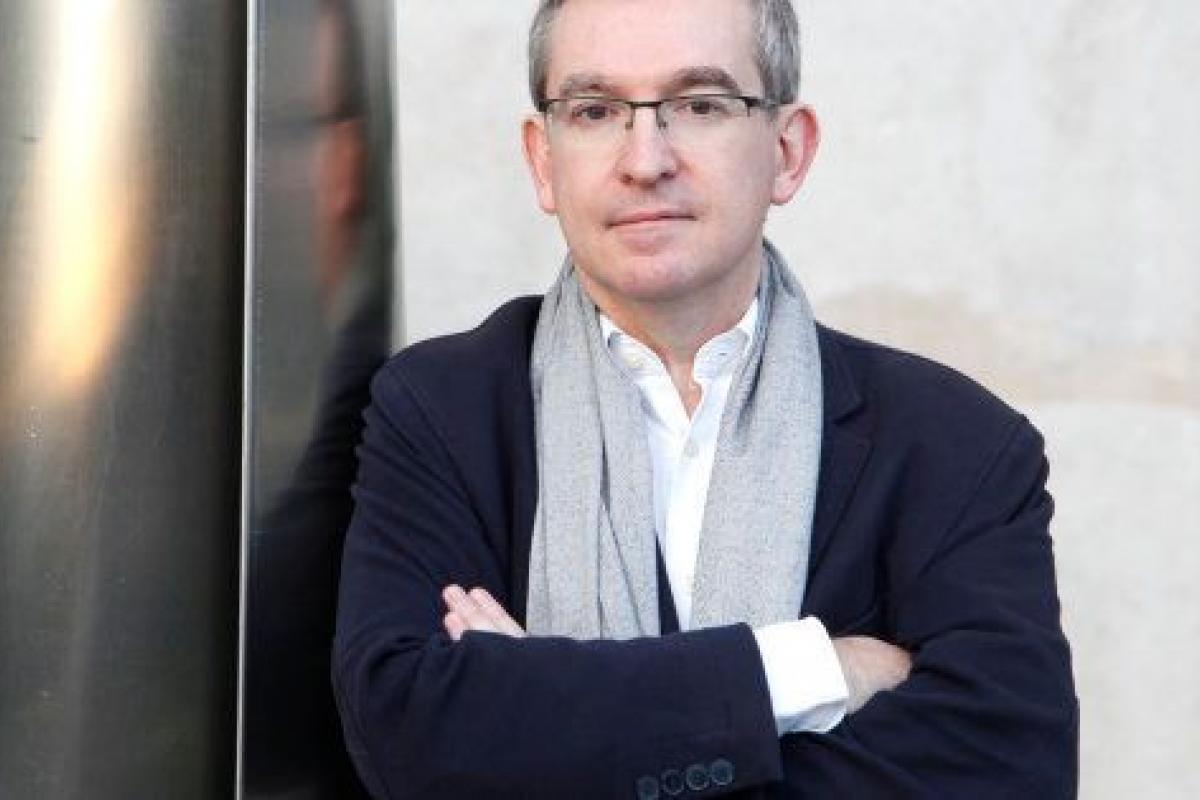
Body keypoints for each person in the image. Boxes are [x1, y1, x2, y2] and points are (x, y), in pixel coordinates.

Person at [333, 0, 1078, 797]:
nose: (645, 159)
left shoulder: (958, 447)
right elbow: (409, 738)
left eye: (699, 105)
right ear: (543, 160)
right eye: (594, 111)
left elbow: (1008, 771)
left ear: (787, 152)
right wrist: (808, 670)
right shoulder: (439, 412)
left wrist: (542, 717)